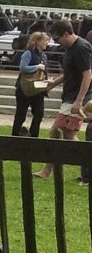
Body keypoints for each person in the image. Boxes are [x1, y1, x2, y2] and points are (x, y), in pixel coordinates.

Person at [37, 20, 92, 181]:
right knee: (60, 134)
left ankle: (85, 168)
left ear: (67, 33)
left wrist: (79, 101)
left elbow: (87, 75)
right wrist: (53, 83)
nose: (56, 42)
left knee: (60, 133)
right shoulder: (69, 48)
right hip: (69, 97)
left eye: (57, 38)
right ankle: (49, 171)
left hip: (76, 98)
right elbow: (69, 73)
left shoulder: (81, 48)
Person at [12, 30, 50, 136]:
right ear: (37, 41)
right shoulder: (28, 53)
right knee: (21, 114)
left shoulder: (44, 56)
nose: (47, 43)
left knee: (39, 113)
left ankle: (33, 136)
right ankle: (15, 135)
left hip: (38, 89)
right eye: (45, 40)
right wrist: (37, 67)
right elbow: (23, 68)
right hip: (25, 88)